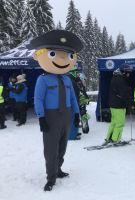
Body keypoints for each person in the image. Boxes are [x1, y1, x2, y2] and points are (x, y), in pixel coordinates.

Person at [31, 30, 82, 191]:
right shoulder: (43, 79)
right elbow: (38, 99)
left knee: (62, 145)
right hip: (50, 116)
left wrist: (76, 115)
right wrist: (41, 118)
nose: (62, 59)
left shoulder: (67, 79)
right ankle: (50, 177)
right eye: (54, 54)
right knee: (50, 147)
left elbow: (73, 98)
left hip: (66, 114)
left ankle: (58, 170)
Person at [103, 64, 135, 146]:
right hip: (118, 105)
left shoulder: (115, 77)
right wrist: (134, 104)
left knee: (114, 122)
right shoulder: (120, 80)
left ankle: (110, 138)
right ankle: (115, 140)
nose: (128, 75)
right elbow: (124, 95)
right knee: (120, 123)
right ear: (123, 72)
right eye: (127, 73)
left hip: (113, 104)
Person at [68, 67, 83, 140]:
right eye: (77, 73)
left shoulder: (74, 80)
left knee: (75, 118)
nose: (79, 74)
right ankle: (71, 135)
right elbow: (73, 94)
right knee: (73, 118)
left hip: (75, 102)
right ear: (73, 73)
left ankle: (75, 132)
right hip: (72, 104)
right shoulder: (72, 81)